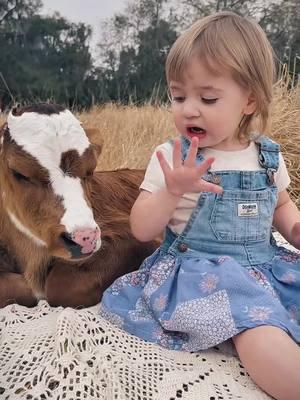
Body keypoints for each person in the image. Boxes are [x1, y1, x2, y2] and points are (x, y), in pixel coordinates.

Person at [100, 11, 300, 400]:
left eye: (207, 98)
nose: (189, 108)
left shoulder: (267, 156)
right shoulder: (172, 157)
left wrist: (294, 228)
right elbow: (142, 228)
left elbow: (282, 207)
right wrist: (172, 191)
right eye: (178, 96)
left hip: (264, 264)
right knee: (257, 328)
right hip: (203, 275)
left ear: (250, 100)